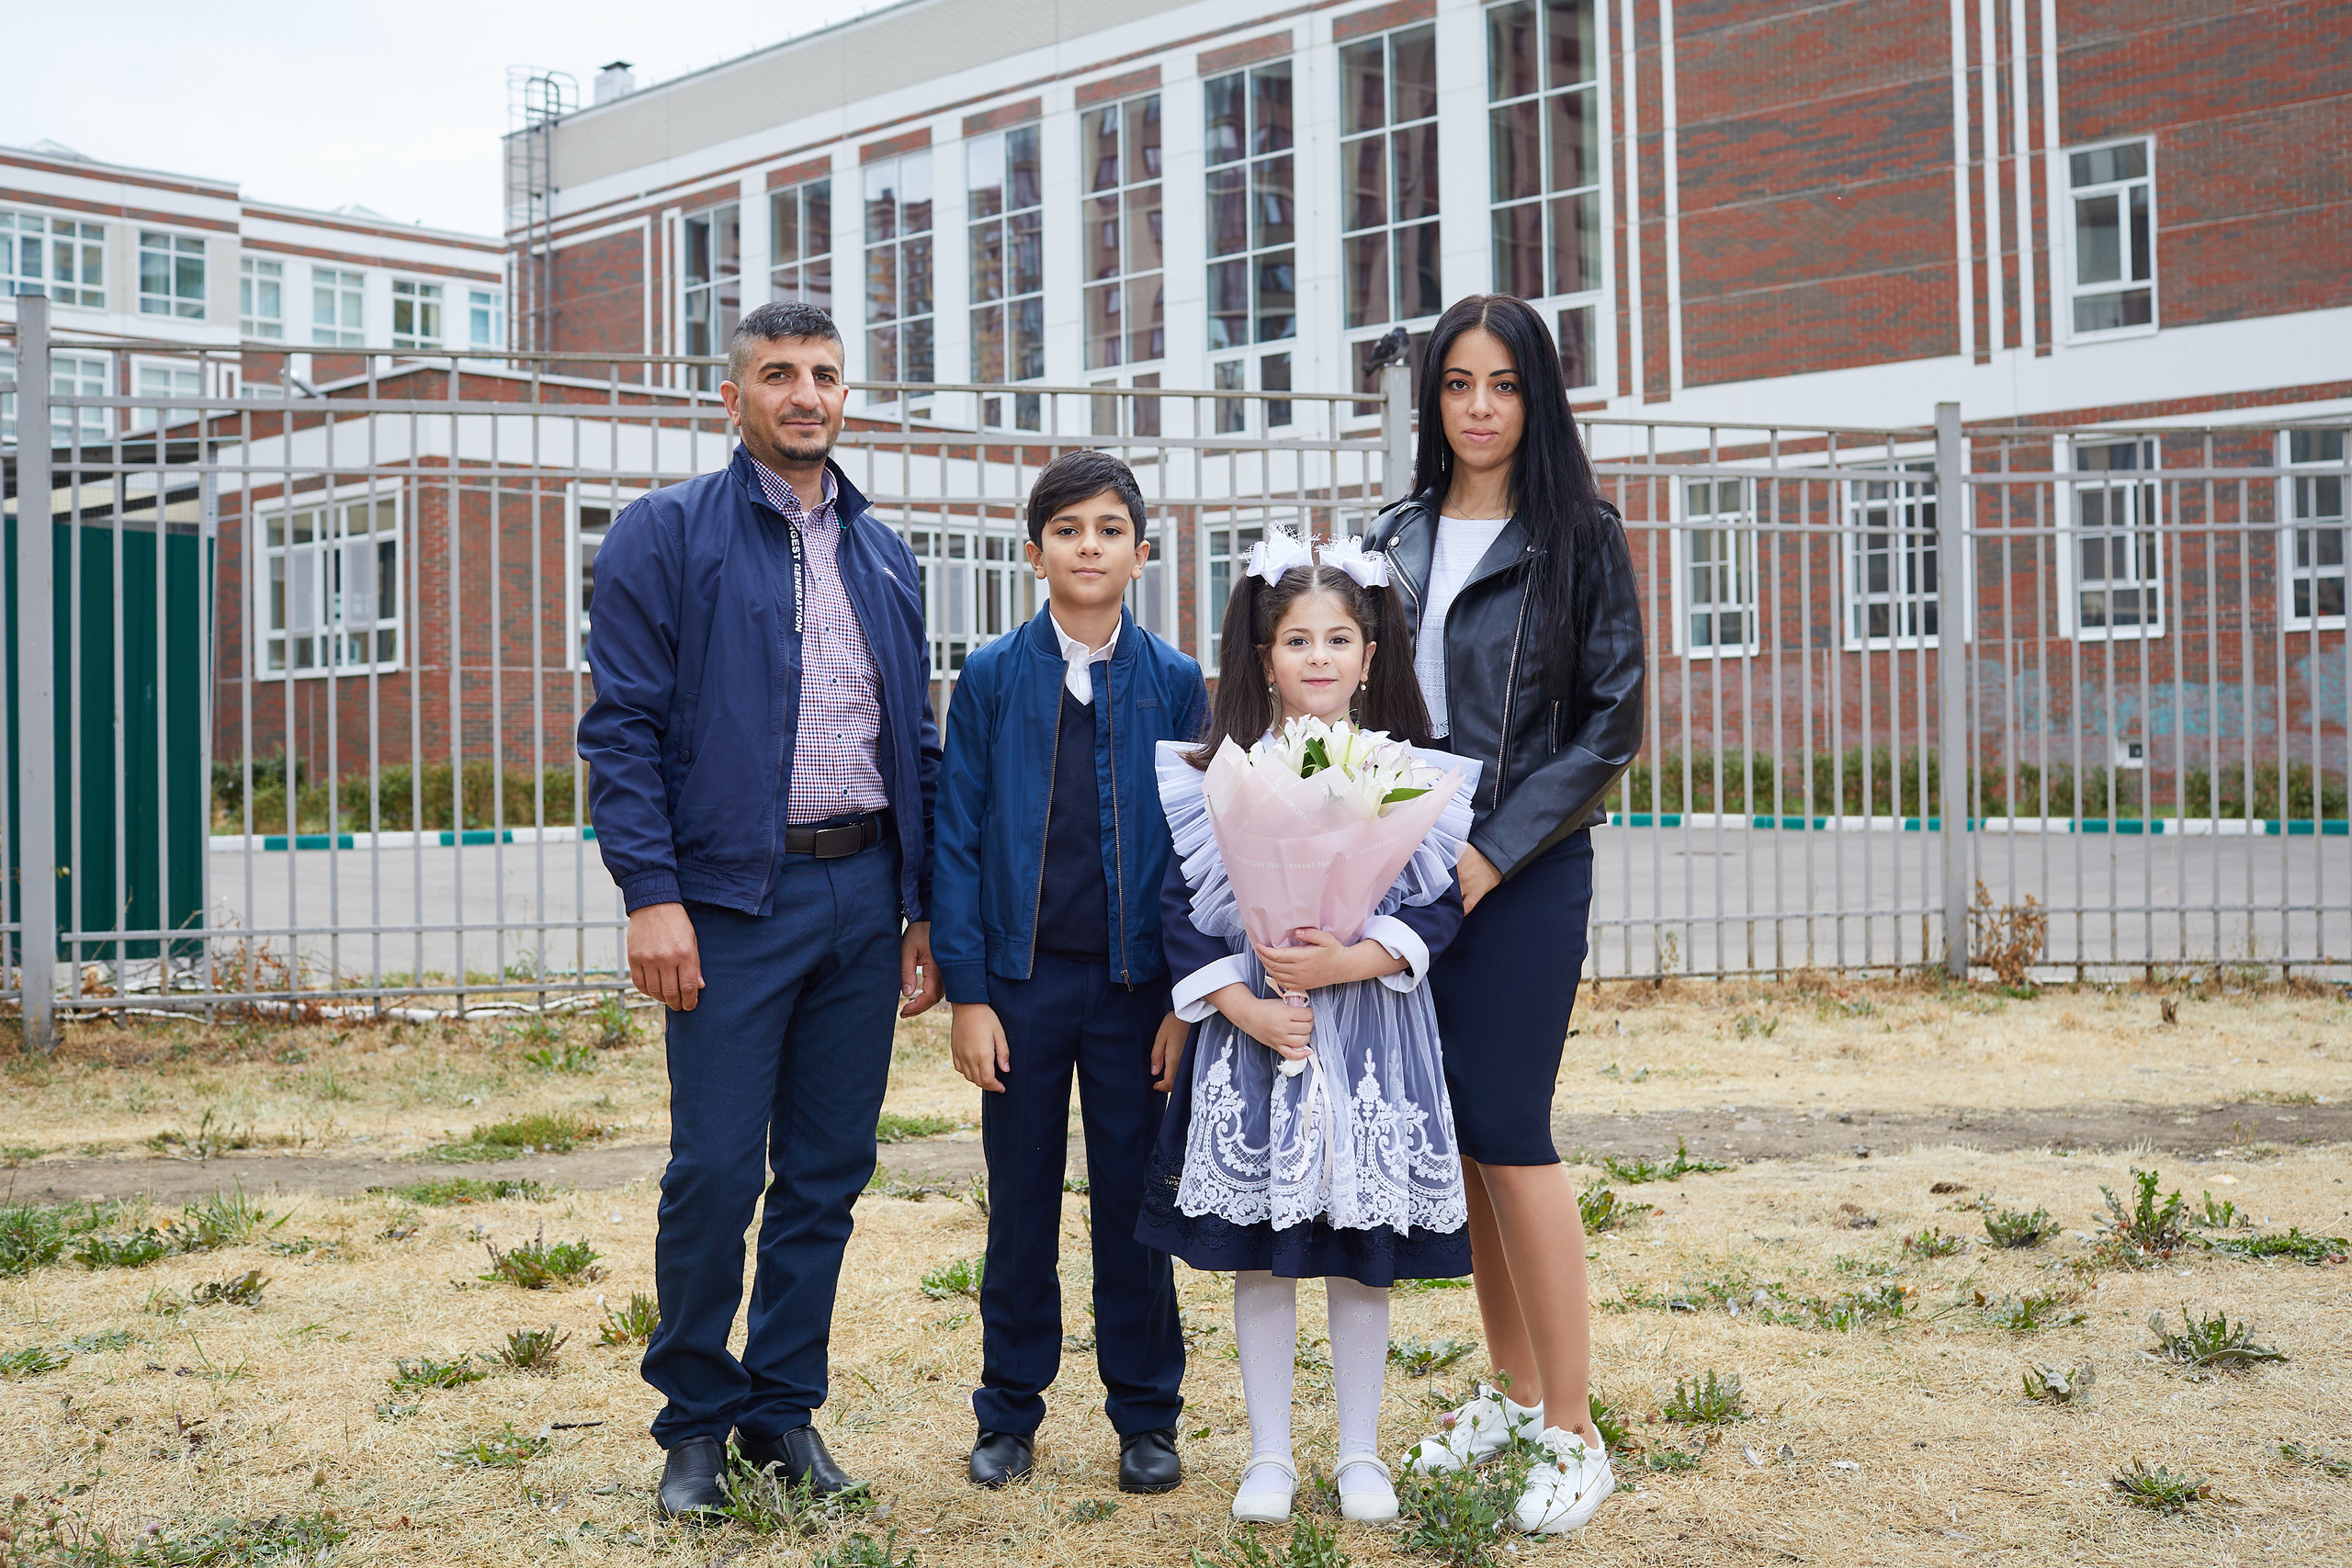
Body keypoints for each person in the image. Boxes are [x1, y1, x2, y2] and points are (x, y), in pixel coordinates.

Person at [577, 299, 944, 1521]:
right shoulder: (664, 535)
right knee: (718, 1169)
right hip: (732, 901)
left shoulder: (885, 552)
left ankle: (780, 1411)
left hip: (863, 891)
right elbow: (621, 728)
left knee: (827, 1172)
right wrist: (653, 894)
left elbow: (917, 736)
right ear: (731, 395)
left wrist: (921, 902)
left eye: (825, 374)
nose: (805, 394)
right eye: (778, 374)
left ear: (847, 396)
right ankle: (692, 1423)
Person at [1369, 295, 1645, 1536]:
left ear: (1536, 398)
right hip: (1408, 874)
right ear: (1433, 401)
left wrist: (1488, 852)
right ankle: (1515, 1390)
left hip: (1522, 873)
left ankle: (1577, 1430)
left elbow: (1608, 726)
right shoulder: (1396, 536)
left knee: (1514, 1126)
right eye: (1457, 384)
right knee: (1466, 1137)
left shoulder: (1581, 534)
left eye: (1503, 384)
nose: (1478, 407)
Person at [1136, 542, 1475, 1527]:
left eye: (1337, 639)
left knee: (1361, 1243)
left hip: (1370, 1037)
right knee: (1263, 1249)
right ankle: (1269, 1455)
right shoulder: (1221, 775)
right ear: (1263, 652)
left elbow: (1438, 906)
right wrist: (1239, 1005)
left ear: (1370, 655)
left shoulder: (1406, 775)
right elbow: (1181, 907)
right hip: (1258, 1042)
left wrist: (1354, 961)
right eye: (1296, 640)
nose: (1317, 658)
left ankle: (1362, 1452)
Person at [930, 450, 1208, 1495]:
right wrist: (968, 992)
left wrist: (1187, 1000)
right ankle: (1009, 1411)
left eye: (1106, 530)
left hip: (1138, 994)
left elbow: (1197, 856)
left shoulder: (1176, 682)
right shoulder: (996, 676)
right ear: (1033, 549)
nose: (1086, 547)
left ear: (1140, 552)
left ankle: (1145, 1415)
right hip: (1021, 987)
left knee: (1139, 1204)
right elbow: (956, 838)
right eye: (1066, 529)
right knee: (1022, 1201)